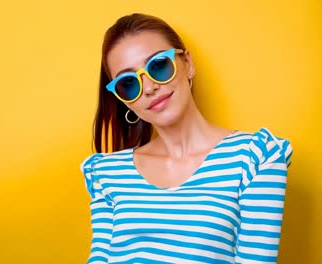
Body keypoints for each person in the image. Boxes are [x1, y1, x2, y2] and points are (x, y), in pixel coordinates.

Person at [80, 13, 293, 264]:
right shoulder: (106, 172)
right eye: (128, 83)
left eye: (158, 65)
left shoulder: (256, 157)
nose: (148, 88)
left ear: (188, 63)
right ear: (122, 99)